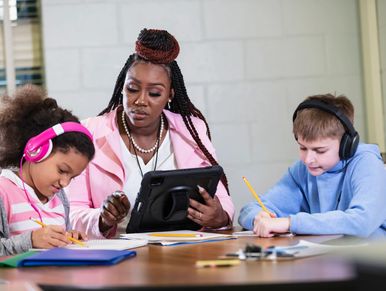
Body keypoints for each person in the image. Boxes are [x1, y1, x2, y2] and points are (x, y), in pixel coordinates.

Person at [66, 28, 234, 238]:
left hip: (183, 252)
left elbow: (221, 199)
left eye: (154, 93)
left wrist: (220, 216)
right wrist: (102, 218)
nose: (140, 101)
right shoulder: (89, 132)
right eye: (132, 89)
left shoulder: (193, 130)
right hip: (118, 258)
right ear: (121, 88)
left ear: (169, 95)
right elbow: (70, 212)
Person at [238, 93, 386, 238]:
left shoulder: (367, 163)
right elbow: (249, 210)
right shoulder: (303, 170)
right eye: (303, 148)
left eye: (320, 150)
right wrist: (258, 218)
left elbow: (363, 221)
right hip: (331, 256)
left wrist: (290, 223)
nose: (308, 159)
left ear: (346, 145)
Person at [0, 84, 95, 256]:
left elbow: (55, 243)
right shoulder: (3, 191)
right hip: (20, 282)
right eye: (62, 170)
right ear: (36, 150)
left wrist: (68, 237)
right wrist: (30, 241)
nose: (65, 183)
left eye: (72, 177)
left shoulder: (59, 198)